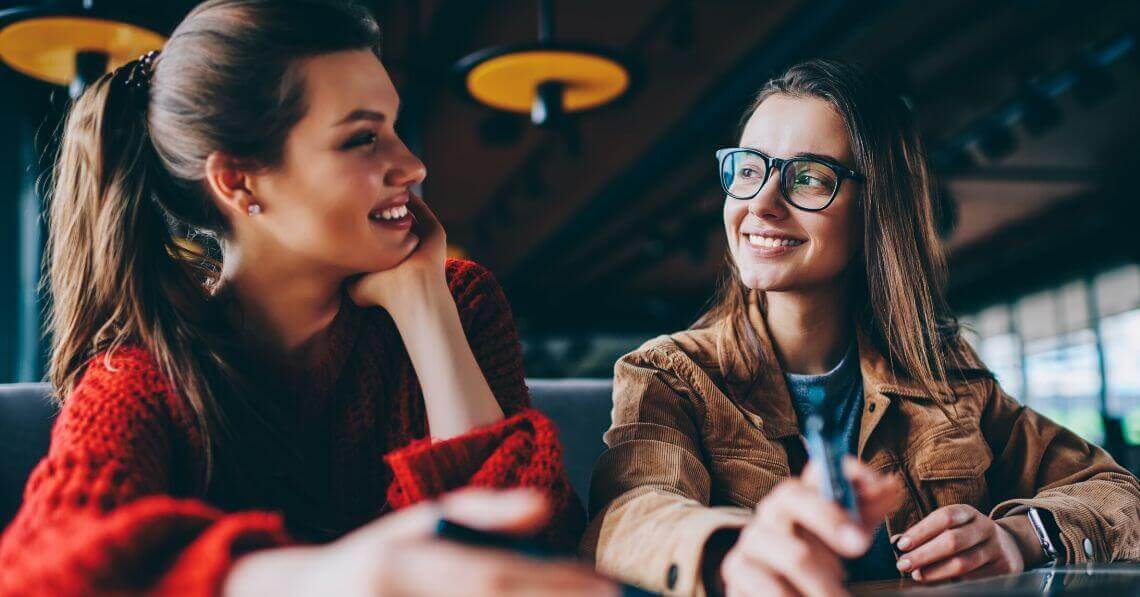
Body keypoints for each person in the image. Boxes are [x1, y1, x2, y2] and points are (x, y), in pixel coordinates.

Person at [0, 1, 614, 595]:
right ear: (239, 181)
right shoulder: (145, 373)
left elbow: (538, 542)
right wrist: (315, 578)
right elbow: (44, 565)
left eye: (393, 128)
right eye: (362, 139)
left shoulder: (462, 300)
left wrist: (426, 306)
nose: (411, 164)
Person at [583, 58, 1140, 596]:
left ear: (876, 207)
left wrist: (1021, 537)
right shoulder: (669, 375)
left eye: (808, 178)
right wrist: (731, 552)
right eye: (748, 169)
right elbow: (628, 512)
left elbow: (1121, 495)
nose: (764, 204)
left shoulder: (943, 375)